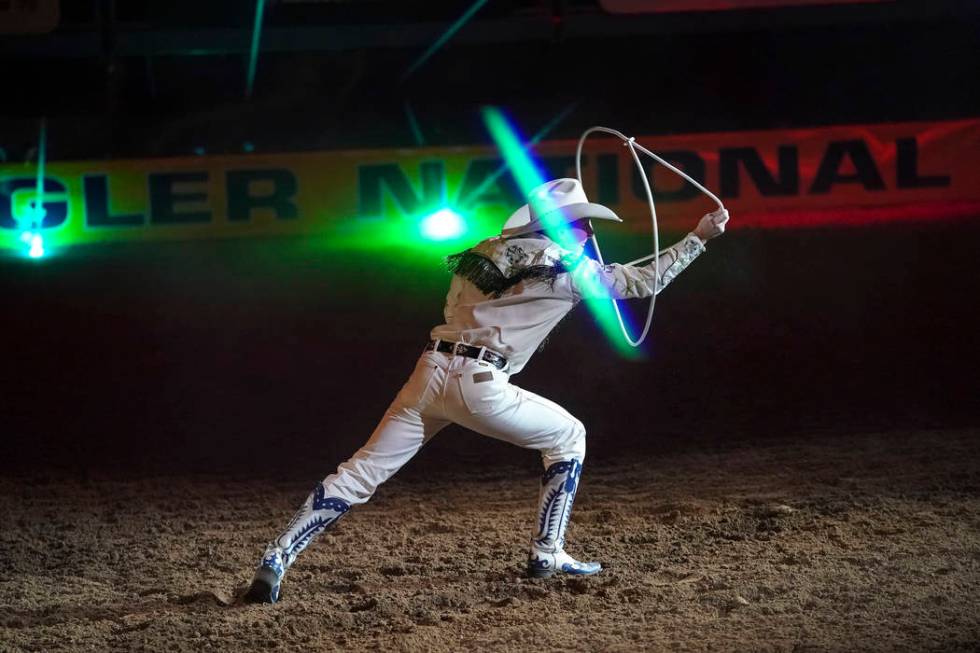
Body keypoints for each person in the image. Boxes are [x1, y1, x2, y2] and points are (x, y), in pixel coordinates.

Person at [245, 177, 729, 603]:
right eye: (581, 223)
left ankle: (276, 557)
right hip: (480, 383)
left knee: (361, 471)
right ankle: (547, 553)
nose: (588, 232)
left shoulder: (482, 252)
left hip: (429, 370)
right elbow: (642, 282)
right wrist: (698, 238)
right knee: (569, 436)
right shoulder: (566, 268)